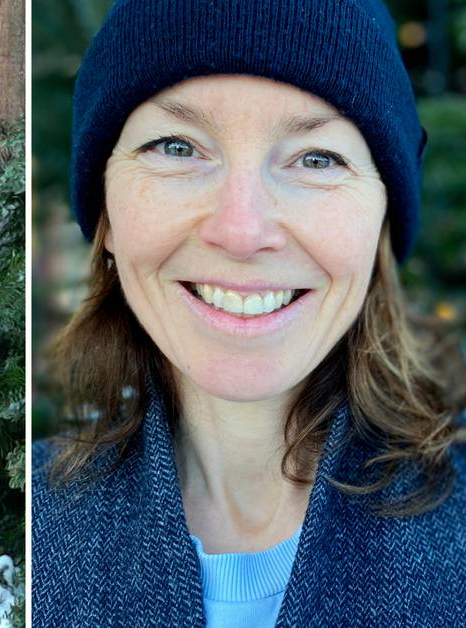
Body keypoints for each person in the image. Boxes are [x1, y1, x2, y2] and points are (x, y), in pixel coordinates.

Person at [32, 1, 465, 626]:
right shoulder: (36, 527)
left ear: (380, 222)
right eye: (177, 146)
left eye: (317, 158)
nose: (241, 230)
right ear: (107, 218)